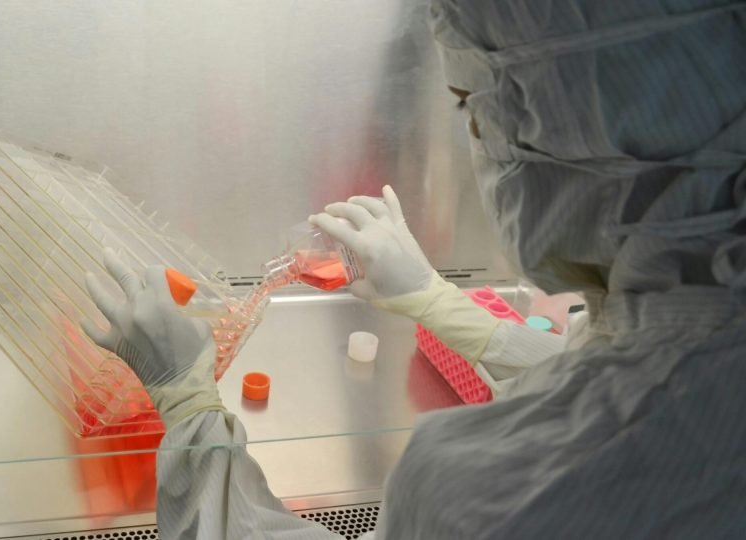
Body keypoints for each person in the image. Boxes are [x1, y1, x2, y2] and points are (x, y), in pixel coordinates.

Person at [81, 1, 746, 537]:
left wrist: (190, 407)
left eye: (479, 109)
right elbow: (616, 375)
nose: (481, 143)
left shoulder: (488, 494)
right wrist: (436, 301)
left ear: (592, 129)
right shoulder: (711, 318)